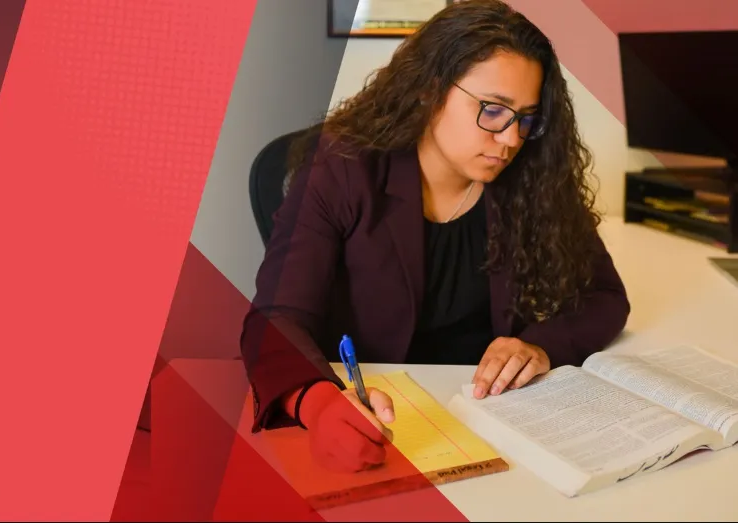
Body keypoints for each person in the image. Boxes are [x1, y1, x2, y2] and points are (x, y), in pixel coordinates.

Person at [239, 0, 630, 474]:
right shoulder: (342, 170)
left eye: (526, 118)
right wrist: (317, 404)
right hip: (378, 411)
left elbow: (605, 297)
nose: (510, 139)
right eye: (492, 110)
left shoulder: (532, 175)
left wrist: (540, 345)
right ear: (429, 90)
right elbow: (274, 319)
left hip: (489, 416)